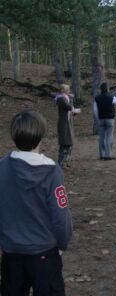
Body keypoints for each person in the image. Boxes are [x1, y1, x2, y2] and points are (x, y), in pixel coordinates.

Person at [0, 110, 73, 296]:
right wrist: (62, 243)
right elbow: (60, 216)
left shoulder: (2, 168)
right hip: (44, 255)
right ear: (41, 135)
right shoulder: (52, 172)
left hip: (12, 254)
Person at [94, 83, 116, 160]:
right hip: (110, 119)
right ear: (108, 89)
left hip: (101, 119)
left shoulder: (97, 98)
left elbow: (95, 110)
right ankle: (108, 155)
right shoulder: (111, 97)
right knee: (109, 137)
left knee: (101, 137)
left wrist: (98, 118)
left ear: (101, 89)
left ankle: (102, 155)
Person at [55, 84, 80, 168]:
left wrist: (74, 112)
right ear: (63, 91)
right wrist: (72, 99)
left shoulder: (65, 98)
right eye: (67, 90)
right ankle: (61, 162)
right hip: (64, 124)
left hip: (68, 123)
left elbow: (69, 110)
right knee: (65, 143)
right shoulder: (61, 99)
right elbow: (69, 107)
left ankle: (66, 161)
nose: (69, 91)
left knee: (69, 144)